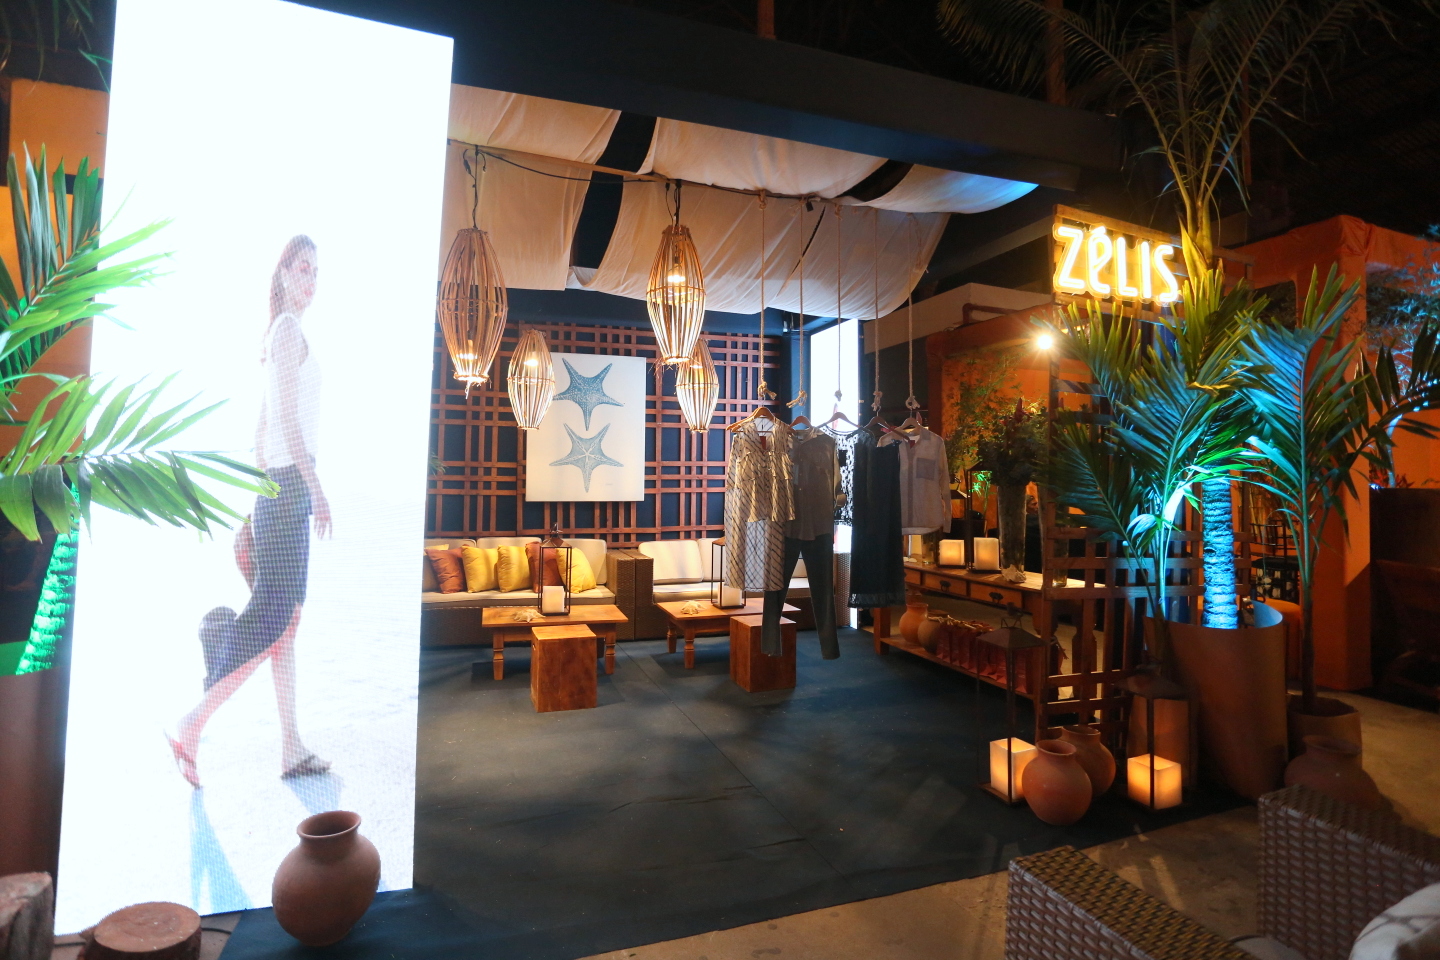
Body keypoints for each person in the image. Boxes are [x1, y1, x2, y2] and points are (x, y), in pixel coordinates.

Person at [168, 235, 332, 788]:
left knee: (284, 622)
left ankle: (290, 746)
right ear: (282, 274)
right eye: (302, 269)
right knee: (275, 619)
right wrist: (312, 485)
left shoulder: (281, 334)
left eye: (316, 271)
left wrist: (259, 501)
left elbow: (261, 430)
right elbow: (283, 418)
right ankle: (191, 724)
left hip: (278, 492)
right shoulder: (286, 332)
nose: (311, 280)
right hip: (288, 490)